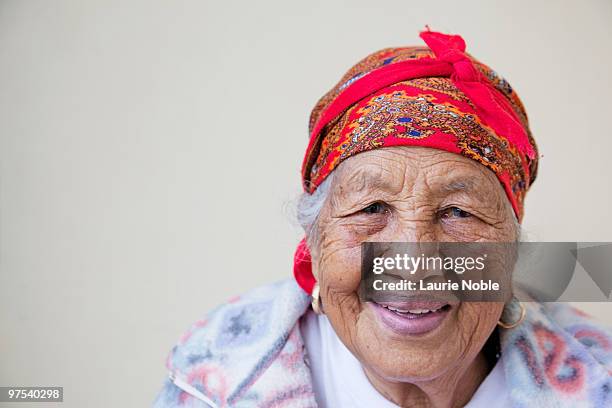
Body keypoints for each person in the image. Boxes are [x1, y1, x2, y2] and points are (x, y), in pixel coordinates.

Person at [153, 30, 612, 407]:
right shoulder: (215, 378)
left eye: (458, 213)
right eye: (372, 208)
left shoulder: (597, 375)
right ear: (314, 241)